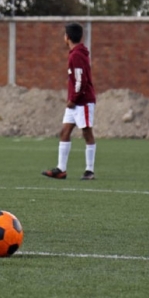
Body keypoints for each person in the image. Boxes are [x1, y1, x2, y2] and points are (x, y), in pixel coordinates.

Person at [42, 23, 97, 180]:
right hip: (75, 102)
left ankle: (89, 170)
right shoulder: (76, 53)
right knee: (64, 132)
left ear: (67, 37)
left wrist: (73, 99)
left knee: (87, 133)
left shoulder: (77, 55)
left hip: (82, 101)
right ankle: (61, 169)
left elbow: (81, 80)